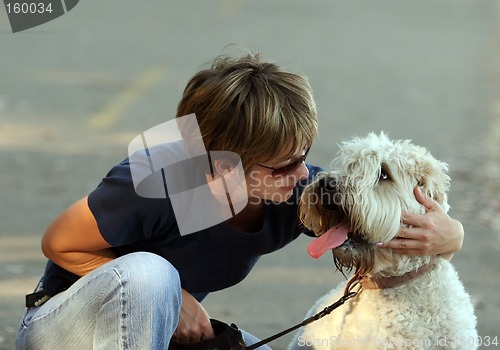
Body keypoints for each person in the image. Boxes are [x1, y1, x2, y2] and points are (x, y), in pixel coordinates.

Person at [15, 52, 464, 350]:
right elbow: (60, 243)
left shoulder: (290, 190)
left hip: (163, 336)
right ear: (224, 164)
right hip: (66, 329)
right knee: (151, 275)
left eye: (302, 157)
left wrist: (450, 235)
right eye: (281, 165)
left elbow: (371, 217)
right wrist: (176, 298)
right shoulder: (158, 182)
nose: (302, 175)